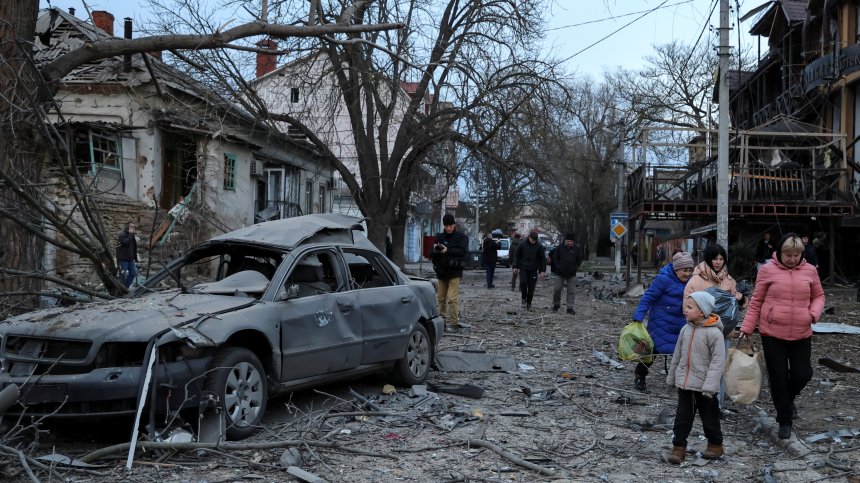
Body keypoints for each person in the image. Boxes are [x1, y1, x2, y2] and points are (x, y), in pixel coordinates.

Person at [739, 233, 825, 440]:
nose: (793, 259)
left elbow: (819, 296)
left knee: (802, 374)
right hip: (772, 333)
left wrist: (813, 313)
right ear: (779, 252)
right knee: (778, 378)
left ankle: (788, 399)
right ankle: (784, 420)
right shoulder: (767, 270)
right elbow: (756, 301)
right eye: (789, 255)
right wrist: (747, 327)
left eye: (796, 255)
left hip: (801, 332)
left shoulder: (810, 271)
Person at [664, 291, 726, 464]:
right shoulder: (685, 329)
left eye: (690, 307)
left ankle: (715, 445)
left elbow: (718, 362)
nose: (685, 309)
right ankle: (678, 448)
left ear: (702, 312)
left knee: (710, 418)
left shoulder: (714, 334)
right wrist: (672, 377)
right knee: (682, 418)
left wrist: (710, 385)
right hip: (685, 385)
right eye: (686, 306)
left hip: (705, 387)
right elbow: (677, 355)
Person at [683, 244, 745, 409]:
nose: (718, 262)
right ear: (708, 259)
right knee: (701, 366)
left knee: (720, 367)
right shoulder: (696, 280)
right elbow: (687, 305)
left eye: (721, 259)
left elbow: (737, 306)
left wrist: (741, 299)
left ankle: (717, 404)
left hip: (723, 332)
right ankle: (698, 401)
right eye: (715, 258)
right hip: (701, 332)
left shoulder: (729, 280)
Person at [631, 251, 694, 392]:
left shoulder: (692, 282)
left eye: (690, 270)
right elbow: (648, 297)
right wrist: (638, 315)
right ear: (676, 269)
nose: (687, 273)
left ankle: (682, 380)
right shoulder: (663, 279)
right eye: (684, 270)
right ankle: (640, 375)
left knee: (683, 351)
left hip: (681, 321)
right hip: (661, 321)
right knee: (653, 350)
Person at [432, 213, 469, 331]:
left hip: (454, 271)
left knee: (452, 299)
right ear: (444, 225)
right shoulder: (439, 237)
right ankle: (441, 322)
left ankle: (454, 323)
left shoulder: (461, 237)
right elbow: (432, 254)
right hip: (442, 271)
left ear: (454, 225)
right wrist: (435, 250)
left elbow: (463, 252)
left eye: (451, 225)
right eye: (447, 226)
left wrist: (448, 250)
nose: (449, 228)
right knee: (441, 298)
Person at [549, 232, 583, 314]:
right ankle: (556, 305)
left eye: (571, 241)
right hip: (560, 273)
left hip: (571, 273)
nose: (569, 243)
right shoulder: (559, 248)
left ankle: (570, 308)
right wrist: (558, 267)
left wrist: (575, 267)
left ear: (573, 242)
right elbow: (555, 258)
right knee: (557, 289)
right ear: (565, 240)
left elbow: (580, 259)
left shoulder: (577, 248)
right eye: (568, 241)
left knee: (571, 291)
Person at [513, 230, 546, 311]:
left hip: (533, 269)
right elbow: (516, 256)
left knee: (531, 287)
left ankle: (529, 303)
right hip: (523, 268)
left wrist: (542, 270)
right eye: (532, 240)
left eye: (534, 240)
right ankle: (523, 298)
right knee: (523, 283)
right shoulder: (522, 244)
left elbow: (543, 259)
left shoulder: (539, 246)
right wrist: (515, 266)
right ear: (529, 237)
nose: (533, 242)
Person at [116, 221, 139, 288]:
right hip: (123, 259)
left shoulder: (131, 236)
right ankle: (121, 289)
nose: (133, 228)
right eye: (131, 227)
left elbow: (133, 247)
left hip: (130, 259)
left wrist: (135, 258)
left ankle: (125, 288)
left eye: (134, 227)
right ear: (127, 227)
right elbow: (125, 243)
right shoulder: (122, 235)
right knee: (123, 275)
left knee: (133, 273)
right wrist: (131, 235)